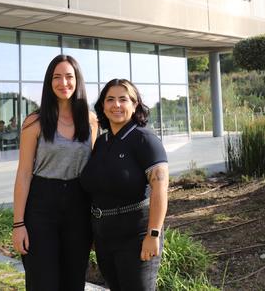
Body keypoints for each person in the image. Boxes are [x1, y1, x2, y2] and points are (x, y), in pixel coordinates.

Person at [12, 54, 98, 290]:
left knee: (74, 280)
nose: (64, 83)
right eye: (56, 77)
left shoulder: (91, 121)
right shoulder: (34, 122)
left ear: (77, 80)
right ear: (49, 83)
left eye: (69, 77)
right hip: (41, 207)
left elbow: (92, 172)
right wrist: (18, 224)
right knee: (43, 281)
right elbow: (24, 173)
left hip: (78, 207)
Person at [81, 79, 169, 291]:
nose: (116, 105)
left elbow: (160, 190)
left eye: (123, 99)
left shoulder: (145, 140)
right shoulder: (101, 143)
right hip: (104, 238)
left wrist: (153, 234)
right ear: (102, 106)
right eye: (110, 99)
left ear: (135, 104)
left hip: (136, 238)